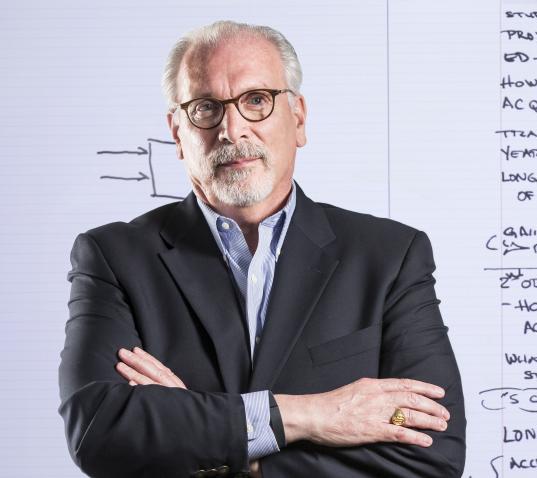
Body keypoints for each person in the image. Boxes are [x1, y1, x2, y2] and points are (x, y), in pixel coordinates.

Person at [58, 20, 465, 478]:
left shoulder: (390, 257)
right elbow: (98, 433)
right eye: (206, 107)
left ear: (299, 118)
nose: (232, 129)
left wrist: (232, 454)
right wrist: (316, 415)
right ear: (177, 133)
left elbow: (433, 457)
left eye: (256, 101)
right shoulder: (113, 257)